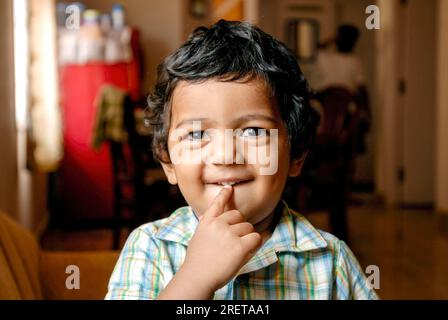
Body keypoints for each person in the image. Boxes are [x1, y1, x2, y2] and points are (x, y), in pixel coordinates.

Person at [105, 20, 378, 300]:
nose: (225, 156)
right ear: (168, 162)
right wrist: (194, 279)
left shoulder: (331, 261)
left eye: (254, 131)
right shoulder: (150, 247)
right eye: (197, 133)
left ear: (296, 154)